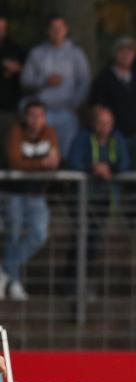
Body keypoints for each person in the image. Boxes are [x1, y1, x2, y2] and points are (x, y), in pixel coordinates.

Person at [67, 105, 131, 293]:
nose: (104, 128)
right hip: (82, 198)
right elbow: (74, 162)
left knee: (93, 241)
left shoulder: (117, 139)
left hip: (104, 199)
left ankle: (83, 282)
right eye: (101, 123)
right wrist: (93, 169)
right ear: (93, 123)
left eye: (108, 124)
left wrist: (110, 169)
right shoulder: (82, 139)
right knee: (81, 239)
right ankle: (72, 284)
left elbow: (125, 163)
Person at [0, 100, 58, 301]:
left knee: (39, 236)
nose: (35, 120)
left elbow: (55, 160)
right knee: (13, 236)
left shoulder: (49, 133)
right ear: (25, 117)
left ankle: (4, 271)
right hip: (13, 193)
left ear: (45, 118)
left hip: (36, 195)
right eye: (32, 115)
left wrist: (35, 164)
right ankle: (14, 282)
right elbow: (15, 161)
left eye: (39, 116)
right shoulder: (15, 132)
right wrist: (41, 164)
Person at [20, 14, 90, 156]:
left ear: (66, 29)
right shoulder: (37, 53)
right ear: (48, 30)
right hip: (42, 111)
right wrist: (45, 81)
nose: (57, 31)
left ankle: (63, 165)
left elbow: (85, 81)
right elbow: (25, 80)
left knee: (66, 150)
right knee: (40, 150)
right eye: (53, 28)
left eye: (60, 27)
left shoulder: (76, 54)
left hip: (66, 110)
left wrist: (75, 105)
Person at [90, 37, 136, 146]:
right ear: (115, 54)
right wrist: (104, 130)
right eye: (122, 51)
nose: (126, 55)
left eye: (130, 52)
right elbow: (96, 107)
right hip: (112, 139)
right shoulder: (104, 78)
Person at [0, 15, 26, 164]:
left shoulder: (15, 49)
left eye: (2, 28)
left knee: (7, 146)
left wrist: (18, 69)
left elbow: (29, 74)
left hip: (9, 108)